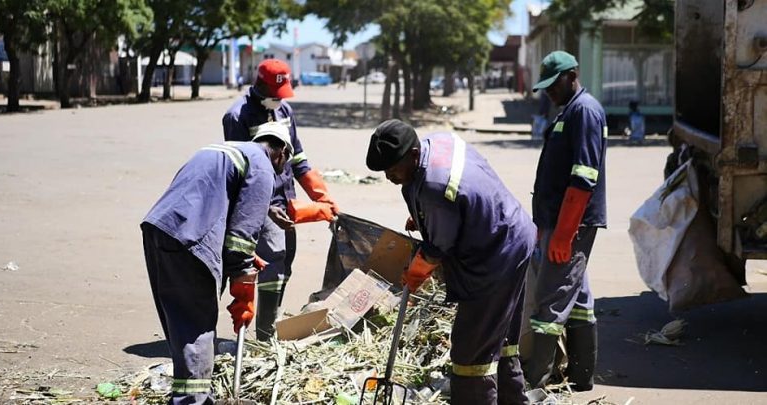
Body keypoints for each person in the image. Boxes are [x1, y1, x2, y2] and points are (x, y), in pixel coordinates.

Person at [366, 119, 536, 405]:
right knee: (501, 336)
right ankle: (512, 400)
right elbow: (462, 196)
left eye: (393, 169)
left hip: (496, 254)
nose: (389, 177)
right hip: (513, 232)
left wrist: (417, 271)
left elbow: (439, 247)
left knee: (472, 350)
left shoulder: (435, 189)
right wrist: (426, 216)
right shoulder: (439, 142)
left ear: (413, 154)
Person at [140, 122, 294, 404]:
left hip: (160, 229)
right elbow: (242, 237)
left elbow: (214, 206)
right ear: (281, 152)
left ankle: (186, 395)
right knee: (197, 324)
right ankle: (193, 400)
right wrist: (244, 283)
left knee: (181, 321)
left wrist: (244, 260)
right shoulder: (262, 166)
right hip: (190, 239)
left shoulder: (225, 150)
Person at [222, 58, 339, 341]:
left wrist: (324, 199)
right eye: (274, 93)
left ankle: (270, 325)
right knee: (272, 265)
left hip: (288, 202)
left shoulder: (284, 111)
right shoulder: (237, 116)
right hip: (262, 204)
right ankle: (264, 336)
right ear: (259, 85)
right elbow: (244, 170)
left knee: (284, 266)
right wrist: (267, 209)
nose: (278, 99)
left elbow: (298, 160)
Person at [522, 50, 607, 392]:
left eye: (553, 84)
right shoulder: (569, 110)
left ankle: (533, 384)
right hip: (557, 223)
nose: (548, 92)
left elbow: (584, 178)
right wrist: (545, 227)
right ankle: (582, 376)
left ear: (572, 75)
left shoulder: (584, 111)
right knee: (577, 296)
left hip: (571, 225)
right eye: (544, 86)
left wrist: (563, 234)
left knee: (550, 298)